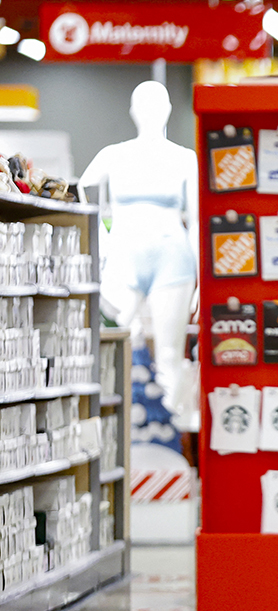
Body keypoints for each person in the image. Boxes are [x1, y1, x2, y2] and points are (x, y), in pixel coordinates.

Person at [80, 81, 199, 426]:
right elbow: (79, 193)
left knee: (169, 355)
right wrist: (101, 241)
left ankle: (173, 432)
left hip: (173, 258)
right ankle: (112, 422)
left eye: (156, 105)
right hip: (124, 255)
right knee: (113, 341)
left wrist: (203, 277)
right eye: (143, 105)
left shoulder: (183, 158)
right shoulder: (114, 155)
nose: (149, 112)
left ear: (168, 111)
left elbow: (196, 220)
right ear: (132, 111)